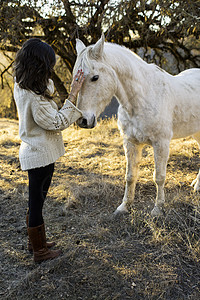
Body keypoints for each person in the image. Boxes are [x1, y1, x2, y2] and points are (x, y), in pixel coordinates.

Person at [13, 38, 85, 263]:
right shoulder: (35, 99)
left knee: (37, 201)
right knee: (36, 203)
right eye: (48, 67)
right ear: (39, 67)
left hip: (37, 153)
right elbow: (58, 121)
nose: (50, 71)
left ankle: (35, 242)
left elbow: (47, 91)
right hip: (39, 157)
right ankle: (40, 252)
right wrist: (73, 94)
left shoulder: (21, 84)